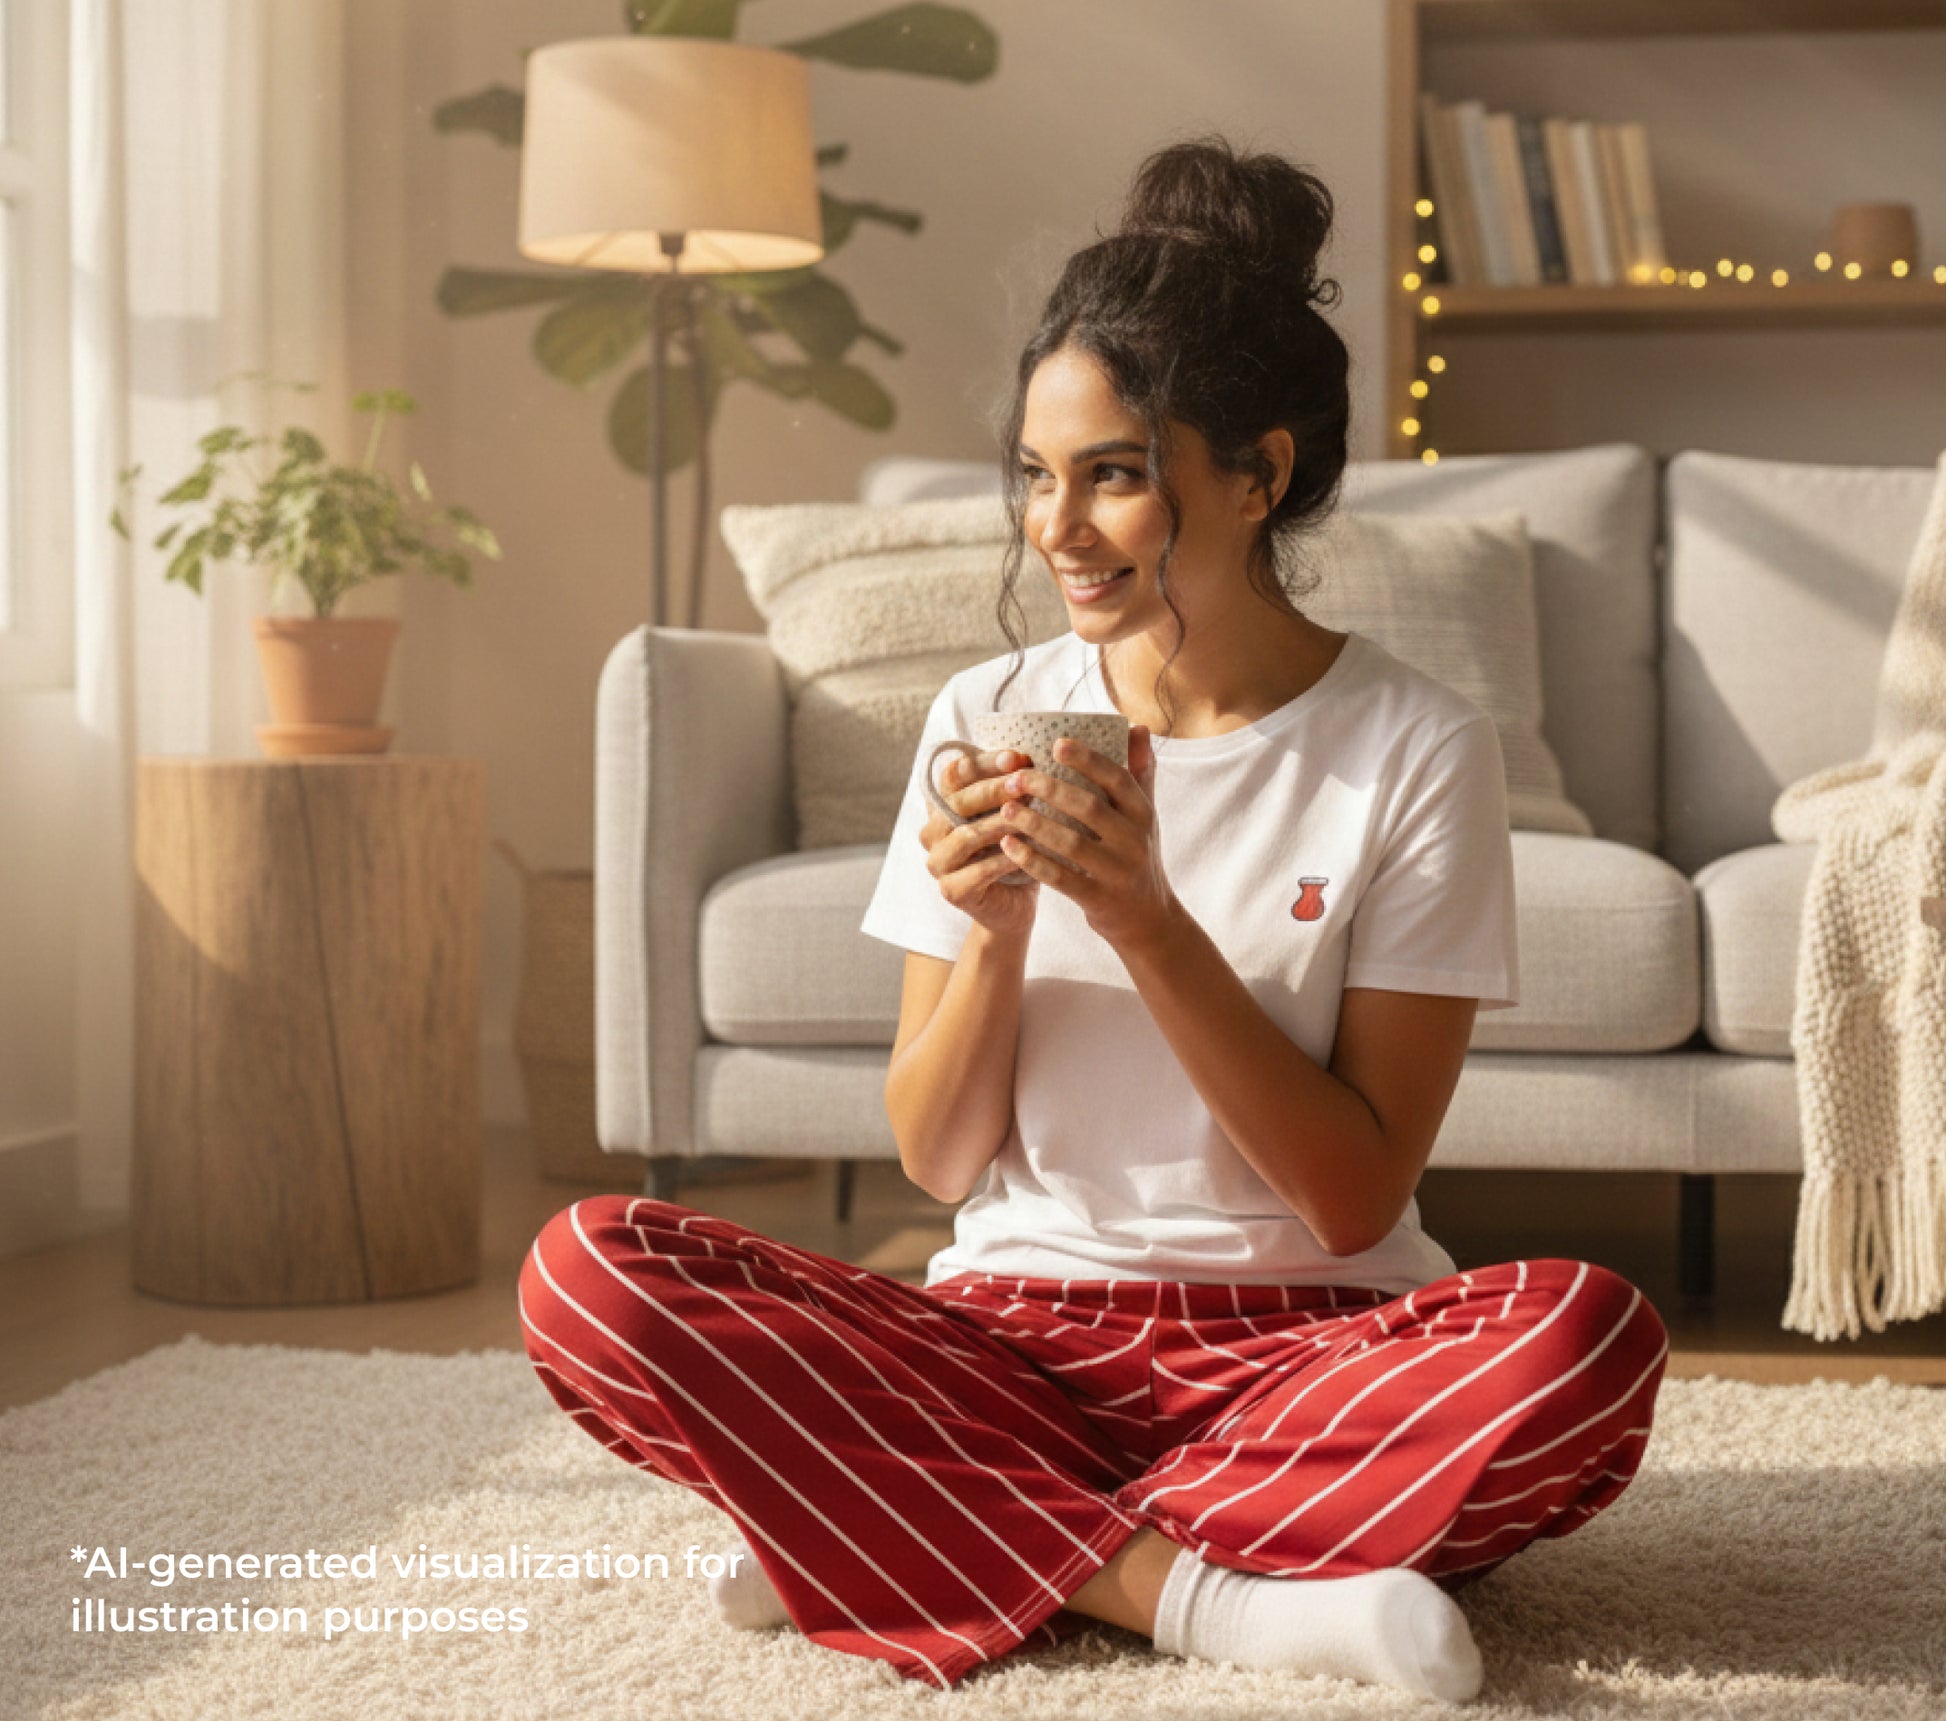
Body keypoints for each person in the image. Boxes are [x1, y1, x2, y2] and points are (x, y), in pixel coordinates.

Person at [518, 135, 1670, 1703]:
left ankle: (884, 1528)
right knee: (589, 1270)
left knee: (1582, 1339)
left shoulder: (1414, 748)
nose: (1055, 527)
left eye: (1114, 474)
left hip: (1308, 1346)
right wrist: (988, 925)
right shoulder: (985, 711)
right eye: (1035, 474)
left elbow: (1349, 1198)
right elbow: (933, 1159)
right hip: (1008, 1344)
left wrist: (1147, 922)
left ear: (1256, 474)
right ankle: (1216, 1598)